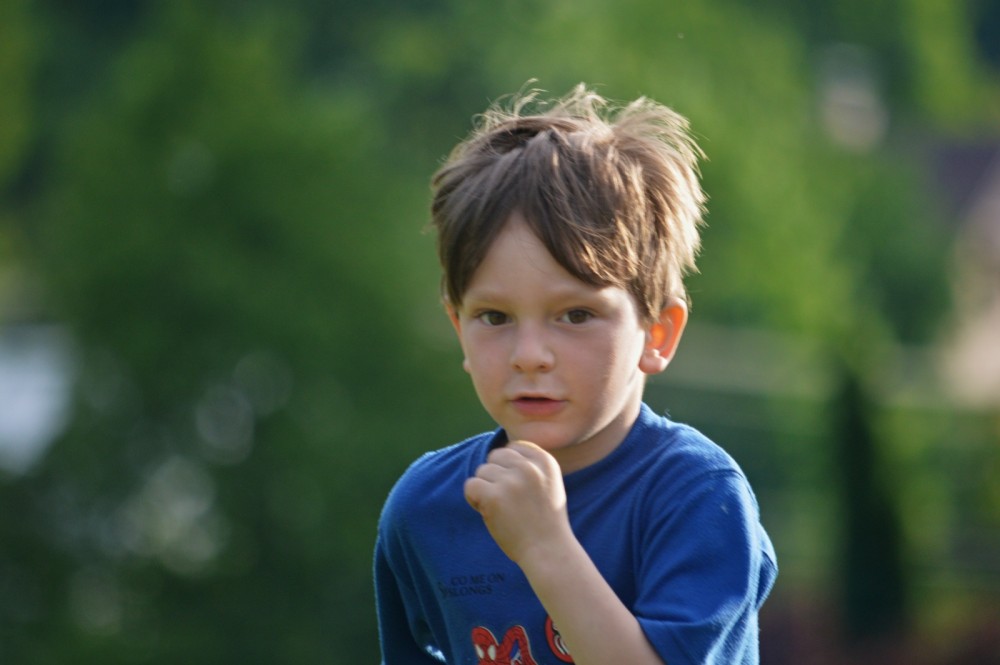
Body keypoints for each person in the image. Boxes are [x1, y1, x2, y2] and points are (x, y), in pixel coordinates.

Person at [374, 84, 777, 665]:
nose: (529, 355)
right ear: (459, 328)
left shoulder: (697, 496)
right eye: (495, 317)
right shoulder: (424, 508)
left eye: (576, 315)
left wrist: (545, 546)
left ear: (657, 334)